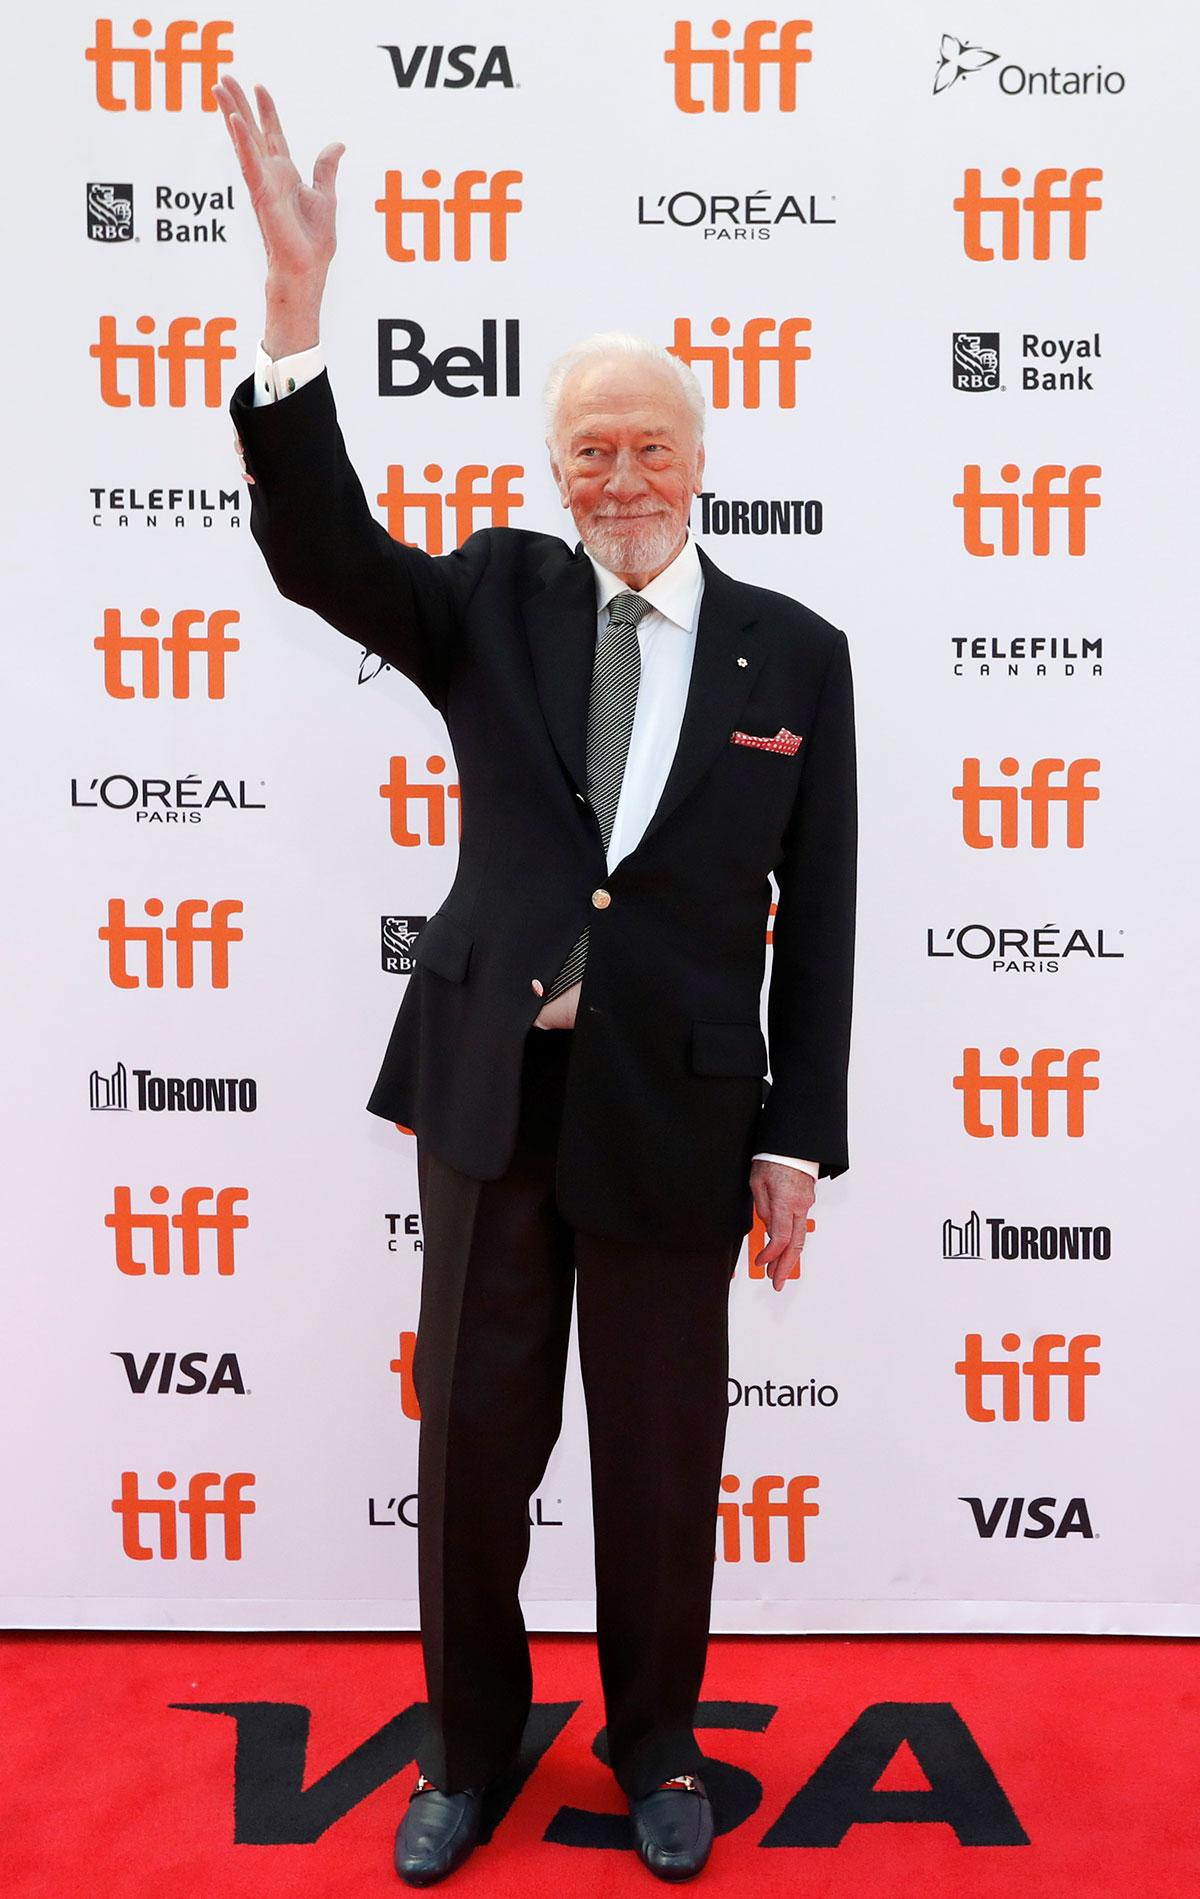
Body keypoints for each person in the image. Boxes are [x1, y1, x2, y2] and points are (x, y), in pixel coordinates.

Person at [214, 76, 857, 1886]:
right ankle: (469, 1750)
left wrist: (797, 1144)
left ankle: (660, 1746)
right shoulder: (491, 595)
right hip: (497, 1094)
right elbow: (319, 551)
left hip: (676, 1106)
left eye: (650, 444)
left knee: (664, 1460)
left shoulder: (796, 653)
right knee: (476, 1451)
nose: (623, 476)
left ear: (700, 455)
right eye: (591, 449)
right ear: (553, 469)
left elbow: (827, 914)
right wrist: (294, 316)